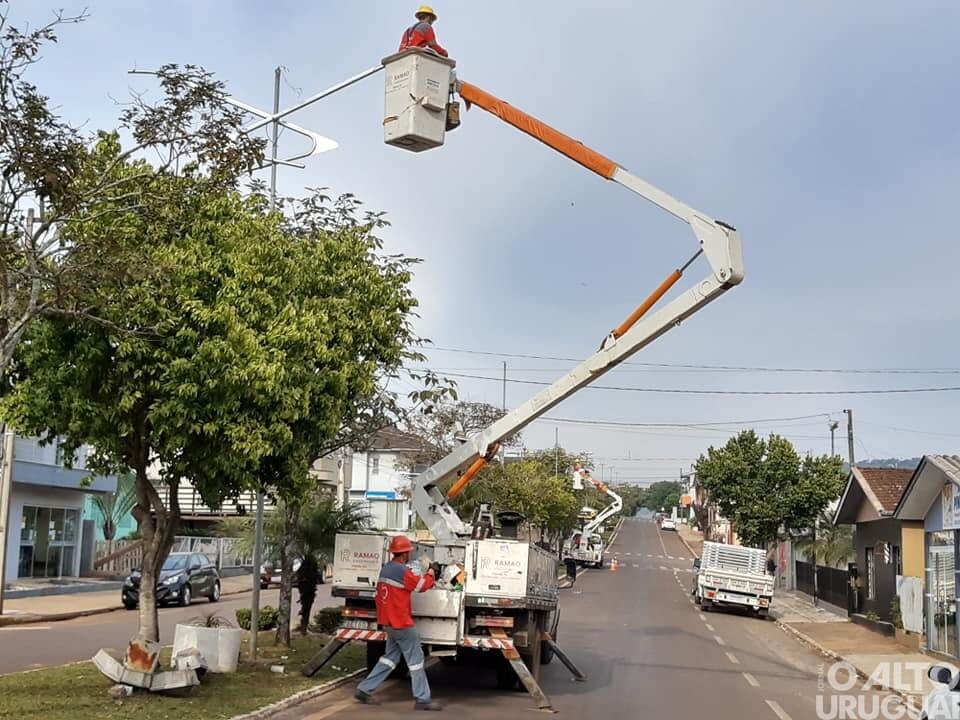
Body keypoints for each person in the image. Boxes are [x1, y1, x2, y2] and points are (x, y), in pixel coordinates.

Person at [355, 535, 442, 711]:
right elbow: (422, 586)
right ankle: (422, 699)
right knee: (416, 660)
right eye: (408, 552)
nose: (409, 555)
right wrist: (432, 572)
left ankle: (364, 689)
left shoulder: (386, 569)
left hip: (388, 622)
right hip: (401, 623)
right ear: (404, 554)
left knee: (390, 658)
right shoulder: (402, 571)